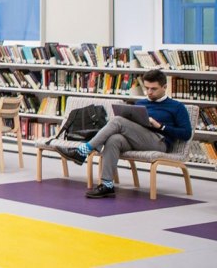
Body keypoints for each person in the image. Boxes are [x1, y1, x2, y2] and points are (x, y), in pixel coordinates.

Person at [55, 69, 192, 198]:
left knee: (118, 121)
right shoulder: (141, 103)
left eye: (154, 89)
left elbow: (186, 134)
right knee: (114, 139)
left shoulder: (177, 107)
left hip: (159, 142)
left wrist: (161, 126)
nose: (149, 92)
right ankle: (107, 185)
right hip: (137, 139)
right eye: (147, 88)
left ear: (164, 87)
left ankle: (83, 151)